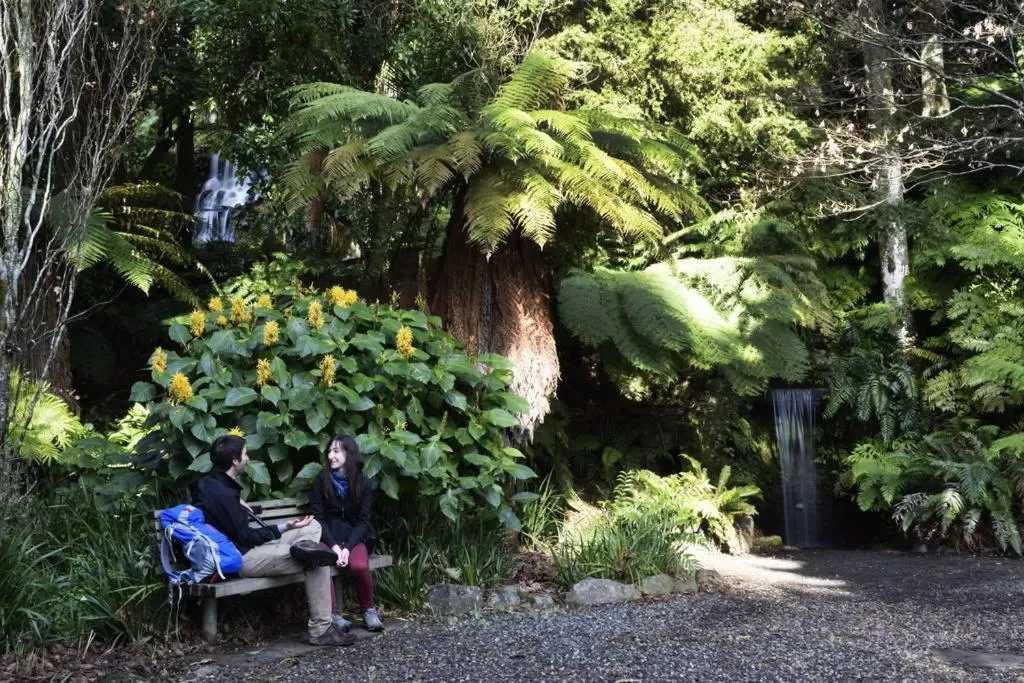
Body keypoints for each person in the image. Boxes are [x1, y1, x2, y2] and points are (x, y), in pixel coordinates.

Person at [193, 435, 356, 646]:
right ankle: (321, 630)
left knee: (312, 525)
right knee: (317, 559)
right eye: (245, 454)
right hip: (244, 557)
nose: (248, 458)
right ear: (234, 461)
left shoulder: (209, 483)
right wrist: (282, 528)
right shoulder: (224, 494)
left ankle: (302, 546)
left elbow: (208, 499)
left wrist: (237, 500)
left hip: (253, 545)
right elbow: (246, 537)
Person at [309, 434, 384, 632]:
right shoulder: (321, 480)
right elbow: (319, 518)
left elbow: (363, 521)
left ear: (349, 455)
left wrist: (348, 548)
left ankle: (368, 610)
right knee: (322, 563)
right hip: (327, 537)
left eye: (336, 451)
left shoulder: (363, 483)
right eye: (329, 451)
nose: (330, 456)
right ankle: (332, 615)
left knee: (359, 566)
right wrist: (334, 546)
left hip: (354, 537)